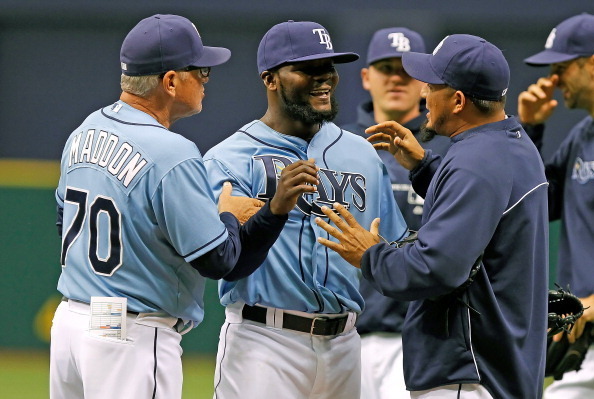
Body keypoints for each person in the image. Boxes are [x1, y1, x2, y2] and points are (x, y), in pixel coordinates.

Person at [50, 14, 319, 399]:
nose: (207, 79)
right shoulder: (172, 152)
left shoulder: (85, 130)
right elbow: (218, 260)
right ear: (171, 81)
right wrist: (228, 212)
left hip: (72, 324)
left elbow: (64, 219)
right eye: (201, 69)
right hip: (131, 333)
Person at [315, 34, 549, 399]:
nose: (423, 91)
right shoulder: (512, 144)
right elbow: (480, 205)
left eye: (433, 84)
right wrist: (426, 167)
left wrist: (370, 255)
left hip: (467, 371)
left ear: (457, 100)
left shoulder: (475, 162)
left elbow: (436, 268)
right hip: (497, 366)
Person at [203, 20, 408, 399]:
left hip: (345, 344)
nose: (324, 79)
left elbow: (393, 249)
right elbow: (225, 261)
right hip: (264, 341)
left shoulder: (361, 153)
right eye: (307, 69)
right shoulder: (229, 158)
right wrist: (274, 210)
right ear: (271, 79)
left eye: (328, 67)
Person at [342, 27, 450, 399]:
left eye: (405, 70)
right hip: (342, 333)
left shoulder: (447, 149)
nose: (395, 79)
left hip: (420, 334)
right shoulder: (336, 146)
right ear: (366, 77)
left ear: (424, 84)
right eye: (385, 68)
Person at [518, 12, 594, 399]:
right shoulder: (583, 136)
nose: (553, 80)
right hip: (583, 333)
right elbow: (533, 207)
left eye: (562, 68)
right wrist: (530, 130)